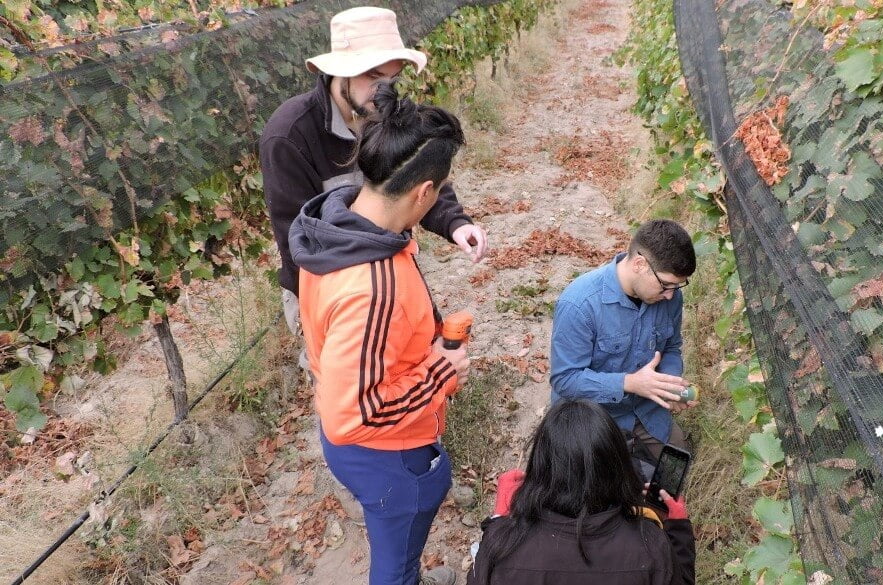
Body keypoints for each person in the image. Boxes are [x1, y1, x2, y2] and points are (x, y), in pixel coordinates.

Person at [288, 81, 470, 585]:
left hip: (351, 441)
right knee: (395, 569)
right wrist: (440, 371)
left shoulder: (336, 224)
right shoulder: (372, 285)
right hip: (387, 454)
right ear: (424, 193)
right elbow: (356, 414)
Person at [260, 6, 487, 355]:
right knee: (351, 390)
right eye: (374, 77)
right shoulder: (290, 136)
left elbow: (418, 173)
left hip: (389, 262)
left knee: (412, 359)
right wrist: (349, 312)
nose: (384, 91)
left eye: (392, 80)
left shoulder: (383, 111)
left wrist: (454, 222)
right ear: (341, 72)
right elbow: (297, 246)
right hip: (329, 284)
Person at [468, 400, 696, 584]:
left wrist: (500, 520)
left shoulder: (501, 546)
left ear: (541, 465)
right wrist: (677, 528)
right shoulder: (651, 544)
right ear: (619, 466)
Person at [549, 220, 698, 470]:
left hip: (643, 411)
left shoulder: (670, 296)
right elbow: (565, 380)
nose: (671, 295)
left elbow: (671, 347)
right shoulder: (579, 304)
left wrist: (668, 384)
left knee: (676, 466)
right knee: (601, 489)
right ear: (640, 264)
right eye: (665, 285)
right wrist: (630, 383)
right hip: (591, 417)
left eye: (677, 286)